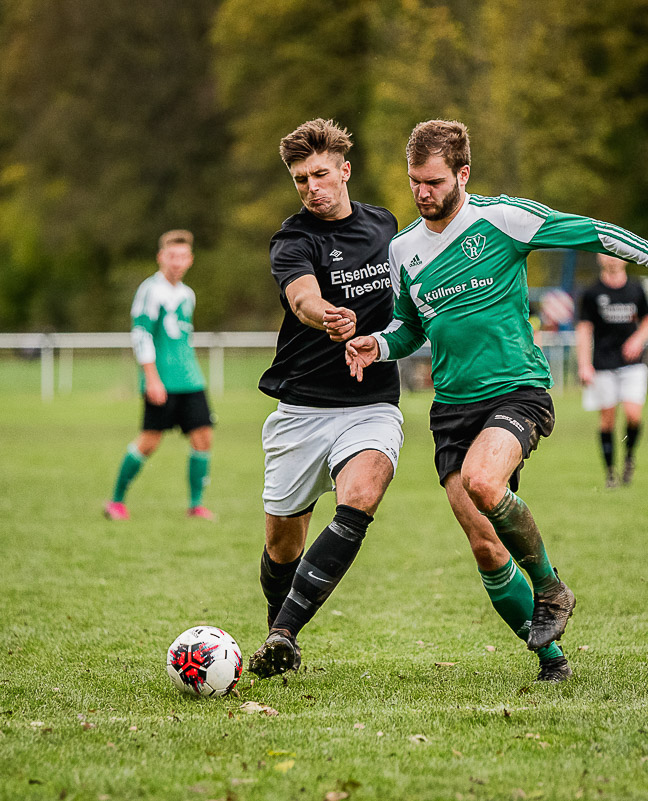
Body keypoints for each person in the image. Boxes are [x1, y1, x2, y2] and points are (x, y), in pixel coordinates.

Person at [346, 120, 648, 682]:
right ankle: (552, 661)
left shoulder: (503, 219)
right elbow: (409, 329)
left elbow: (595, 232)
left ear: (463, 173)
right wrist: (376, 345)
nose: (422, 193)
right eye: (414, 182)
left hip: (517, 391)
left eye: (432, 181)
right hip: (451, 408)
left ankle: (550, 583)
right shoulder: (404, 250)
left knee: (484, 482)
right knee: (483, 546)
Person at [246, 118, 403, 679]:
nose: (311, 187)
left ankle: (286, 632)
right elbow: (301, 298)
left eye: (319, 174)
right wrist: (326, 316)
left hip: (372, 401)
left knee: (361, 494)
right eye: (299, 179)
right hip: (301, 409)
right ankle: (275, 623)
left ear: (345, 170)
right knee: (283, 545)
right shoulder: (294, 239)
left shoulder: (385, 226)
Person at [104, 230, 215, 522]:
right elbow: (141, 334)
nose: (177, 262)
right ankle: (116, 501)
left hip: (190, 379)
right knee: (149, 441)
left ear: (190, 260)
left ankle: (195, 505)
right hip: (162, 380)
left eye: (182, 257)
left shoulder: (187, 294)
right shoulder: (150, 291)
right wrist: (151, 378)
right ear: (160, 257)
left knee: (203, 436)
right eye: (171, 256)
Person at [577, 253, 648, 488]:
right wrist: (584, 364)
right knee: (607, 420)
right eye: (605, 254)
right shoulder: (592, 293)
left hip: (632, 365)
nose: (611, 259)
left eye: (616, 255)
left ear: (625, 259)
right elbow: (584, 330)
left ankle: (630, 457)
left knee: (633, 414)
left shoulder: (636, 288)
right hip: (603, 364)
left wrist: (638, 339)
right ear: (599, 259)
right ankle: (611, 472)